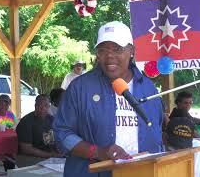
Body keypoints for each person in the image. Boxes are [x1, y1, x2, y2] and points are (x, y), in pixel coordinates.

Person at [53, 21, 163, 177]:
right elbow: (61, 133)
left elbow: (157, 135)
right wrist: (97, 151)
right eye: (102, 50)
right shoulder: (80, 88)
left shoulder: (148, 88)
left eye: (117, 49)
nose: (109, 55)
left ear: (131, 51)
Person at [16, 94, 62, 167]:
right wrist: (50, 155)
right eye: (39, 105)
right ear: (35, 106)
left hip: (47, 156)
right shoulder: (26, 121)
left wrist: (60, 152)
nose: (42, 108)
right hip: (27, 157)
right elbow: (26, 149)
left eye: (46, 106)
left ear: (49, 106)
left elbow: (51, 141)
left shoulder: (50, 119)